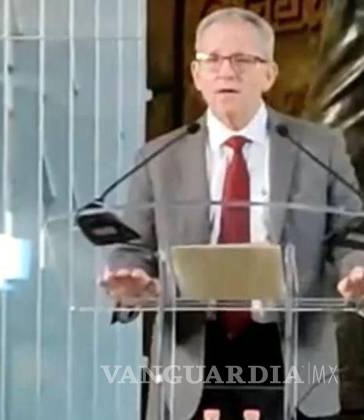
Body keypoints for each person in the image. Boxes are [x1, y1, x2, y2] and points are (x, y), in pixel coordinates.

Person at [102, 7, 364, 420]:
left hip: (291, 349)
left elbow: (351, 230)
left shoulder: (318, 146)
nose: (227, 71)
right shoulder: (159, 156)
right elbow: (133, 245)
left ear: (269, 74)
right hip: (193, 353)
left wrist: (357, 269)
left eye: (243, 59)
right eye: (213, 59)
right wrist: (130, 278)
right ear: (196, 74)